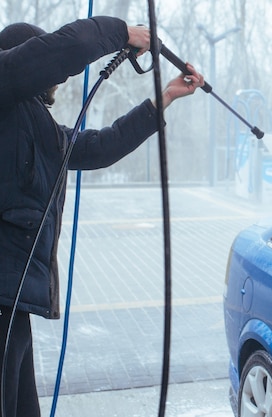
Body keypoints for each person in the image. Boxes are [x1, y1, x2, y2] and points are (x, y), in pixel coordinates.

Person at [0, 16, 205, 417]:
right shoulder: (5, 95)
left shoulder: (39, 127)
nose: (57, 79)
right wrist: (122, 33)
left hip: (12, 303)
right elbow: (63, 50)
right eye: (49, 71)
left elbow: (97, 147)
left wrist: (162, 100)